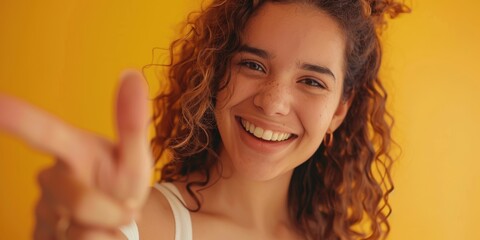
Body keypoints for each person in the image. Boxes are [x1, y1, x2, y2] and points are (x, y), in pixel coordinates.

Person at [0, 0, 410, 239]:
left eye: (311, 81)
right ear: (215, 74)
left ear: (340, 108)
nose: (273, 104)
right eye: (252, 64)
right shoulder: (139, 225)